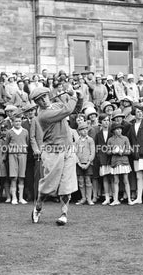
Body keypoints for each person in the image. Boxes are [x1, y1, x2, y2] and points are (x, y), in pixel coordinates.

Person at [31, 86, 79, 226]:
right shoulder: (43, 115)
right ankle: (38, 206)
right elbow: (68, 109)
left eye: (44, 97)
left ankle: (64, 214)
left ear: (48, 95)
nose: (43, 101)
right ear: (36, 103)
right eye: (39, 100)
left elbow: (75, 109)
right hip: (52, 152)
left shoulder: (57, 104)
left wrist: (78, 97)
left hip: (68, 149)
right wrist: (73, 95)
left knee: (66, 184)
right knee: (48, 185)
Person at [6, 113, 29, 205]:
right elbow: (7, 143)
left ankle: (21, 197)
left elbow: (26, 141)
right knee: (13, 177)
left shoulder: (25, 131)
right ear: (12, 122)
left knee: (21, 177)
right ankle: (14, 198)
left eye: (19, 121)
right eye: (16, 121)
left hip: (23, 154)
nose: (18, 123)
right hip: (12, 155)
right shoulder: (9, 132)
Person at [107, 122, 133, 206]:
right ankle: (115, 200)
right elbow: (107, 151)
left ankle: (129, 199)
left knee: (126, 180)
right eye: (117, 129)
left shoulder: (125, 138)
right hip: (115, 162)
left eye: (120, 129)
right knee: (116, 181)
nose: (119, 130)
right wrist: (113, 151)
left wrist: (123, 152)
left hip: (124, 161)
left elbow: (129, 151)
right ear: (114, 131)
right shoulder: (110, 140)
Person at [75, 122, 95, 206]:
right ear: (79, 131)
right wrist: (79, 163)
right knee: (80, 181)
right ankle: (83, 198)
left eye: (86, 129)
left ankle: (89, 198)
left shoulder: (90, 140)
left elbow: (92, 152)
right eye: (82, 130)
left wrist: (88, 163)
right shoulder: (77, 140)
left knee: (88, 180)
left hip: (88, 163)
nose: (84, 131)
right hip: (79, 163)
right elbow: (74, 153)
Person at [94, 113, 112, 205]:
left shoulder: (112, 133)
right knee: (105, 178)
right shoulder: (98, 135)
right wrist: (99, 157)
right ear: (101, 122)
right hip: (102, 159)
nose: (106, 122)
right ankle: (107, 197)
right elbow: (97, 147)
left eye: (108, 120)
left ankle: (114, 196)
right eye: (104, 120)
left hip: (112, 158)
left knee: (113, 178)